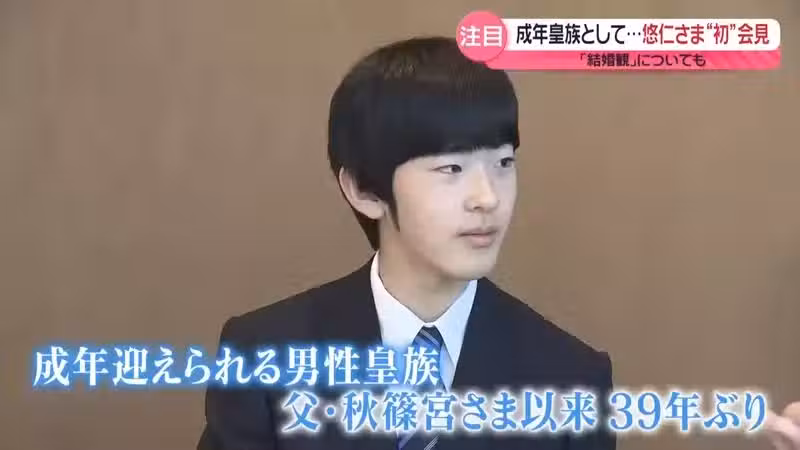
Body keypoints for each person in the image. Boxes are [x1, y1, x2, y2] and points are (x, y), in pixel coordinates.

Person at [196, 36, 800, 450]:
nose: (488, 197)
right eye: (451, 169)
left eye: (504, 163)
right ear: (363, 190)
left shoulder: (569, 375)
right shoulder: (263, 352)